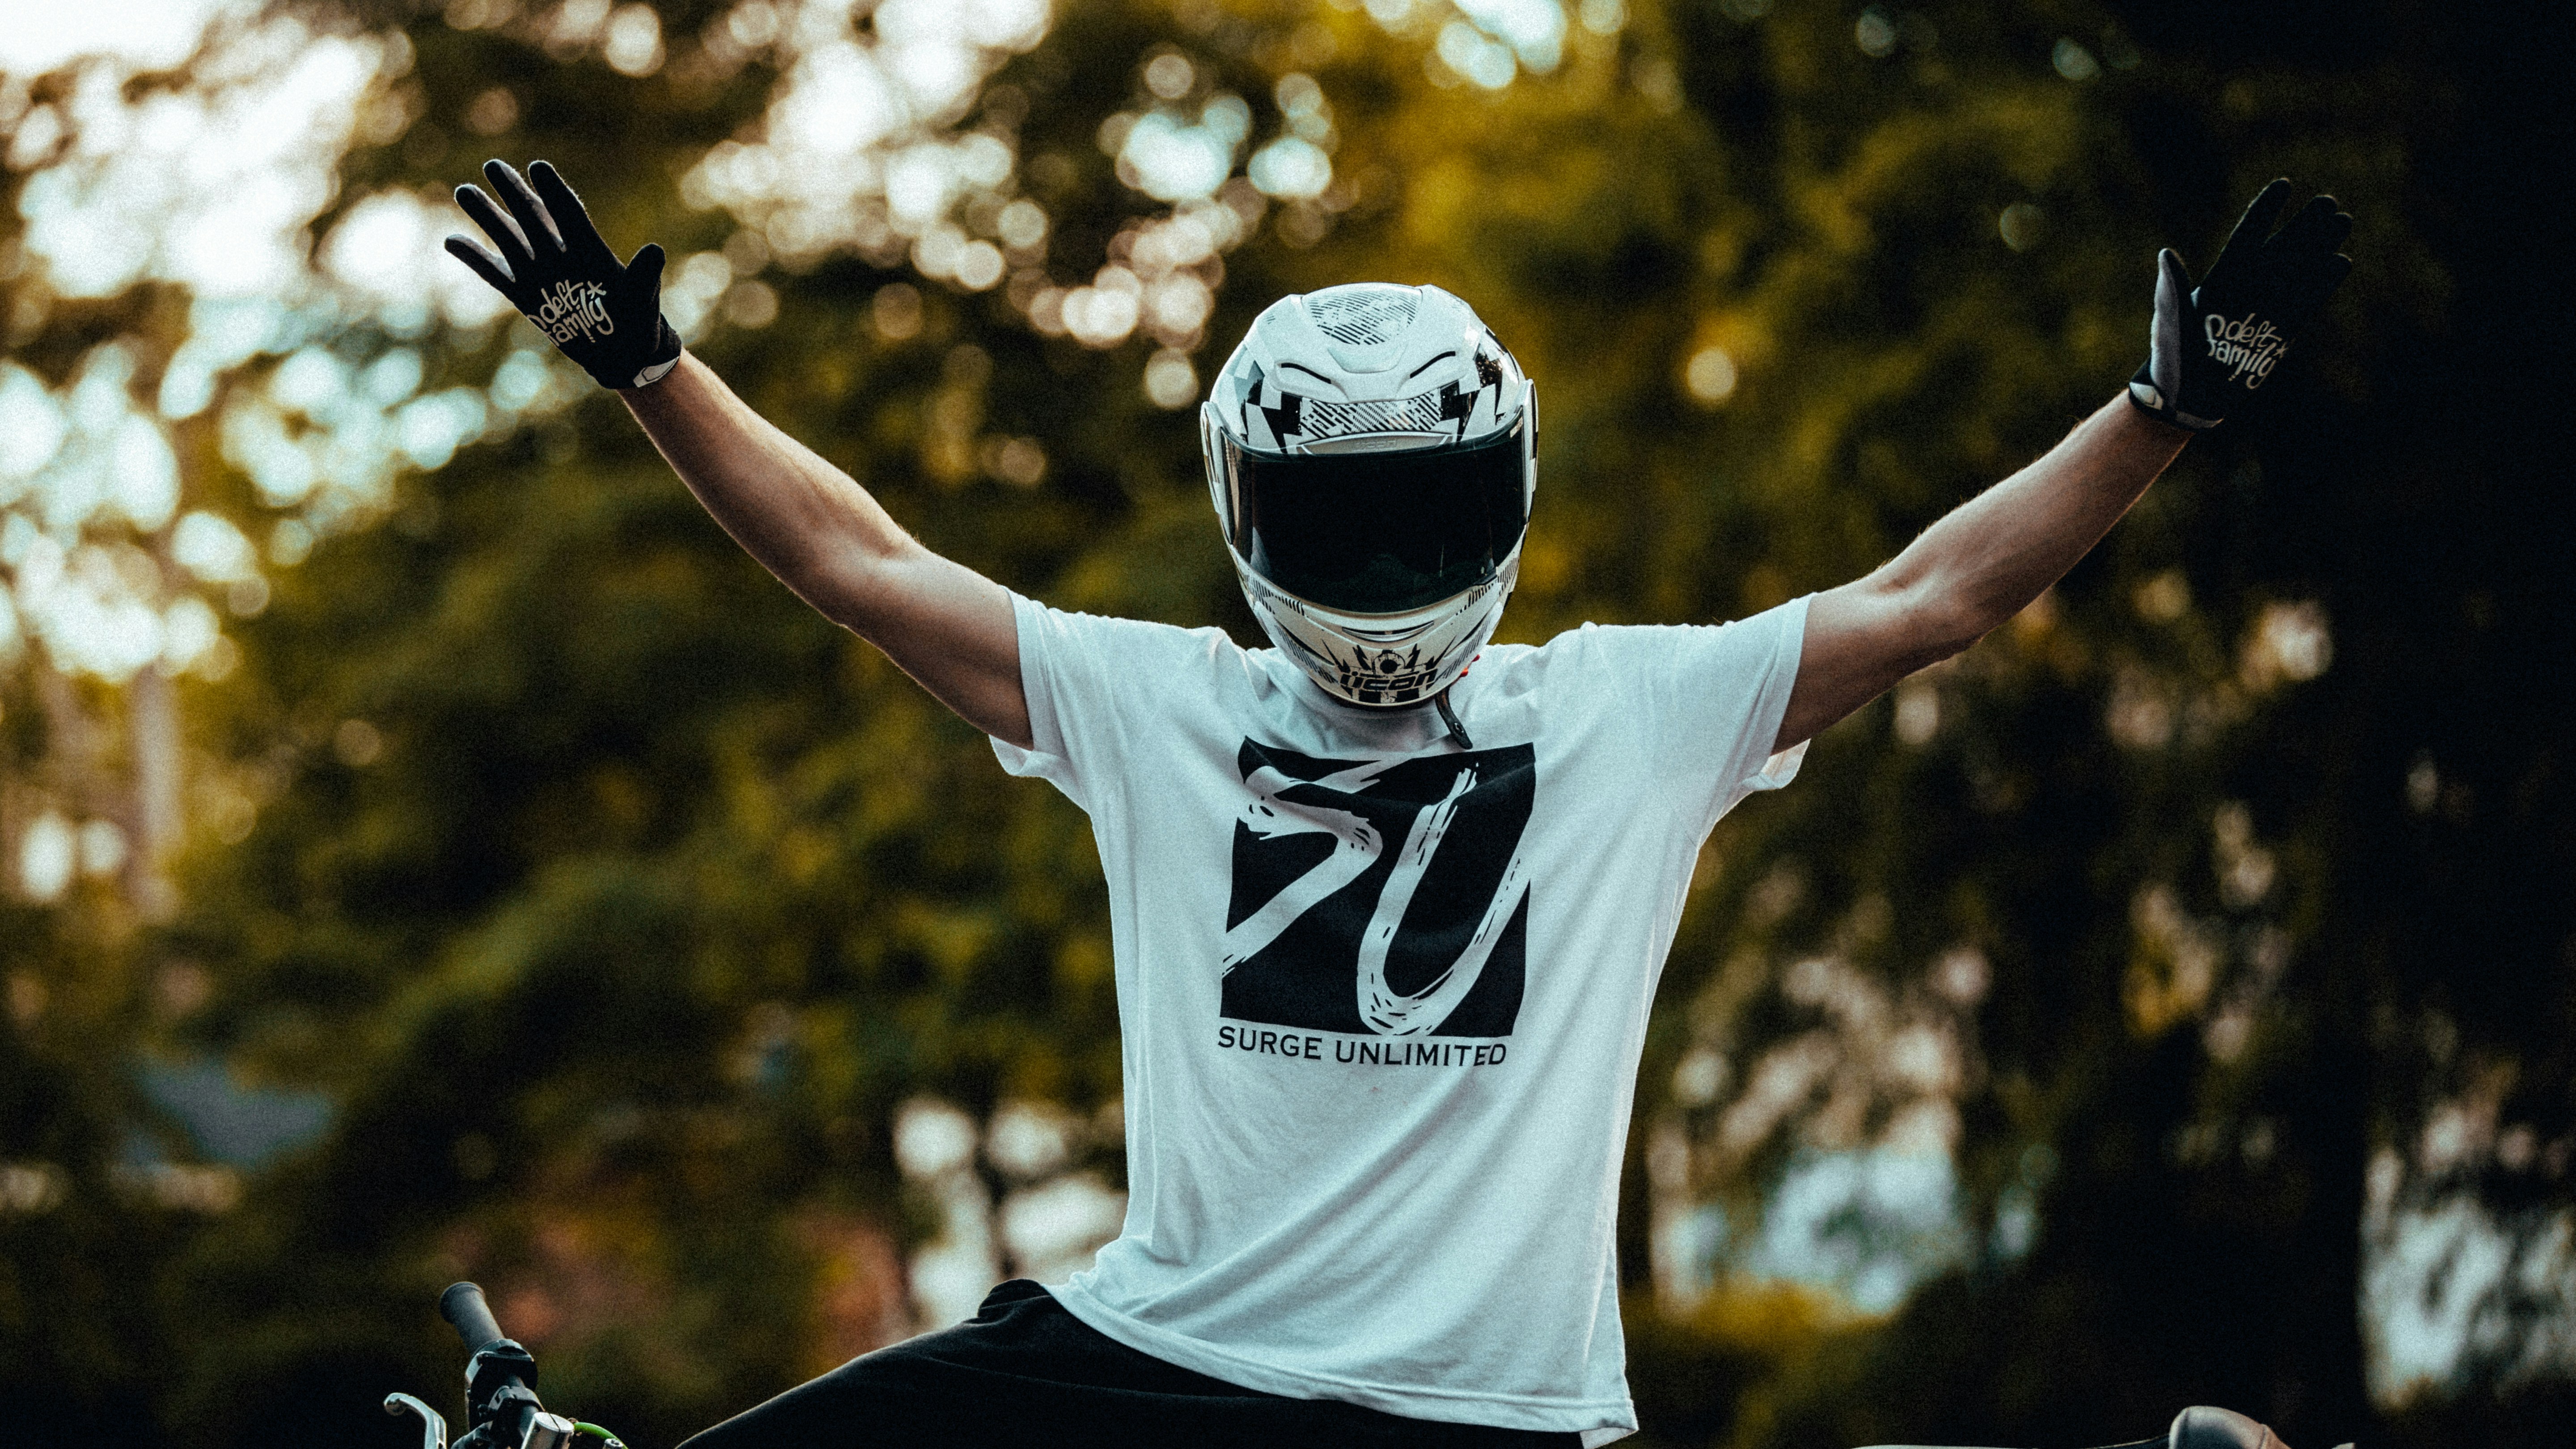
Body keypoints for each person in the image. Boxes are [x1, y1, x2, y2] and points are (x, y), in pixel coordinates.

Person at [444, 163, 2351, 1449]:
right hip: (1179, 1363)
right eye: (1345, 521)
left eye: (1417, 512)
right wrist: (651, 367)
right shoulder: (1596, 706)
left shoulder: (1593, 708)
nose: (1382, 562)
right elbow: (859, 561)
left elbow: (1942, 593)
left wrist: (2163, 413)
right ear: (1249, 513)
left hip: (1441, 1410)